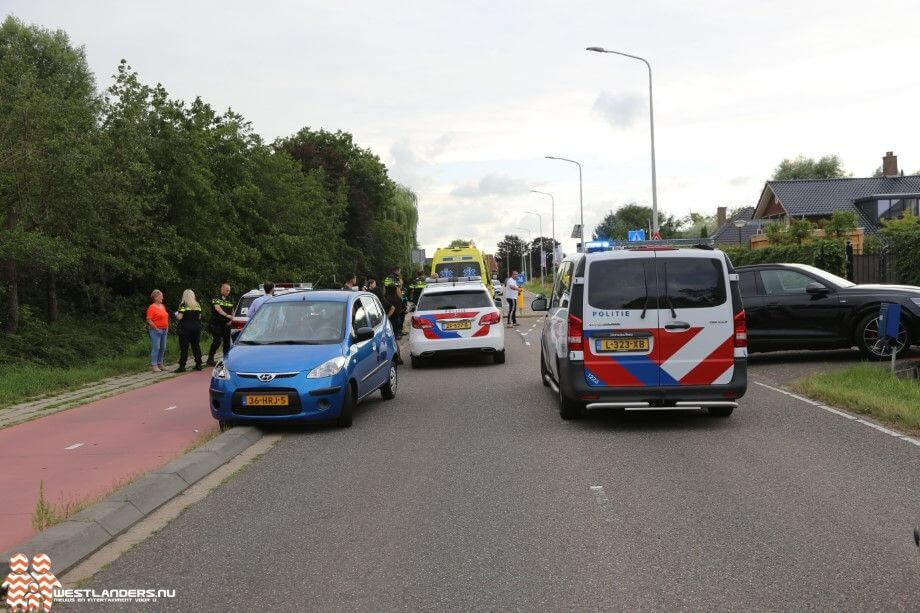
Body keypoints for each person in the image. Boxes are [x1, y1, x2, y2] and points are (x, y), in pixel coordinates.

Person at [174, 289, 204, 372]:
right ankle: (198, 364)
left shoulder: (183, 305)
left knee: (184, 347)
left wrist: (176, 314)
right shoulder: (197, 305)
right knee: (196, 346)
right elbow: (199, 317)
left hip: (185, 328)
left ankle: (182, 366)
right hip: (196, 327)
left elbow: (180, 317)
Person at [206, 283, 234, 366]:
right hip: (216, 323)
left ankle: (226, 359)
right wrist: (226, 315)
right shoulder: (216, 298)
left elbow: (233, 310)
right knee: (217, 341)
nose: (228, 292)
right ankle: (210, 358)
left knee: (227, 342)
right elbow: (217, 308)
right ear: (222, 289)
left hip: (227, 324)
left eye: (229, 290)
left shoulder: (230, 299)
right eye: (227, 290)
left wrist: (231, 319)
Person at [146, 289, 169, 372]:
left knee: (163, 347)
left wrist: (167, 327)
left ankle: (160, 363)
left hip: (164, 329)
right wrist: (156, 328)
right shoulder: (152, 307)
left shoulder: (162, 306)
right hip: (155, 330)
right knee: (156, 347)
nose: (162, 297)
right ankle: (154, 365)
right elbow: (149, 319)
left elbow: (165, 317)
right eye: (160, 296)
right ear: (155, 297)